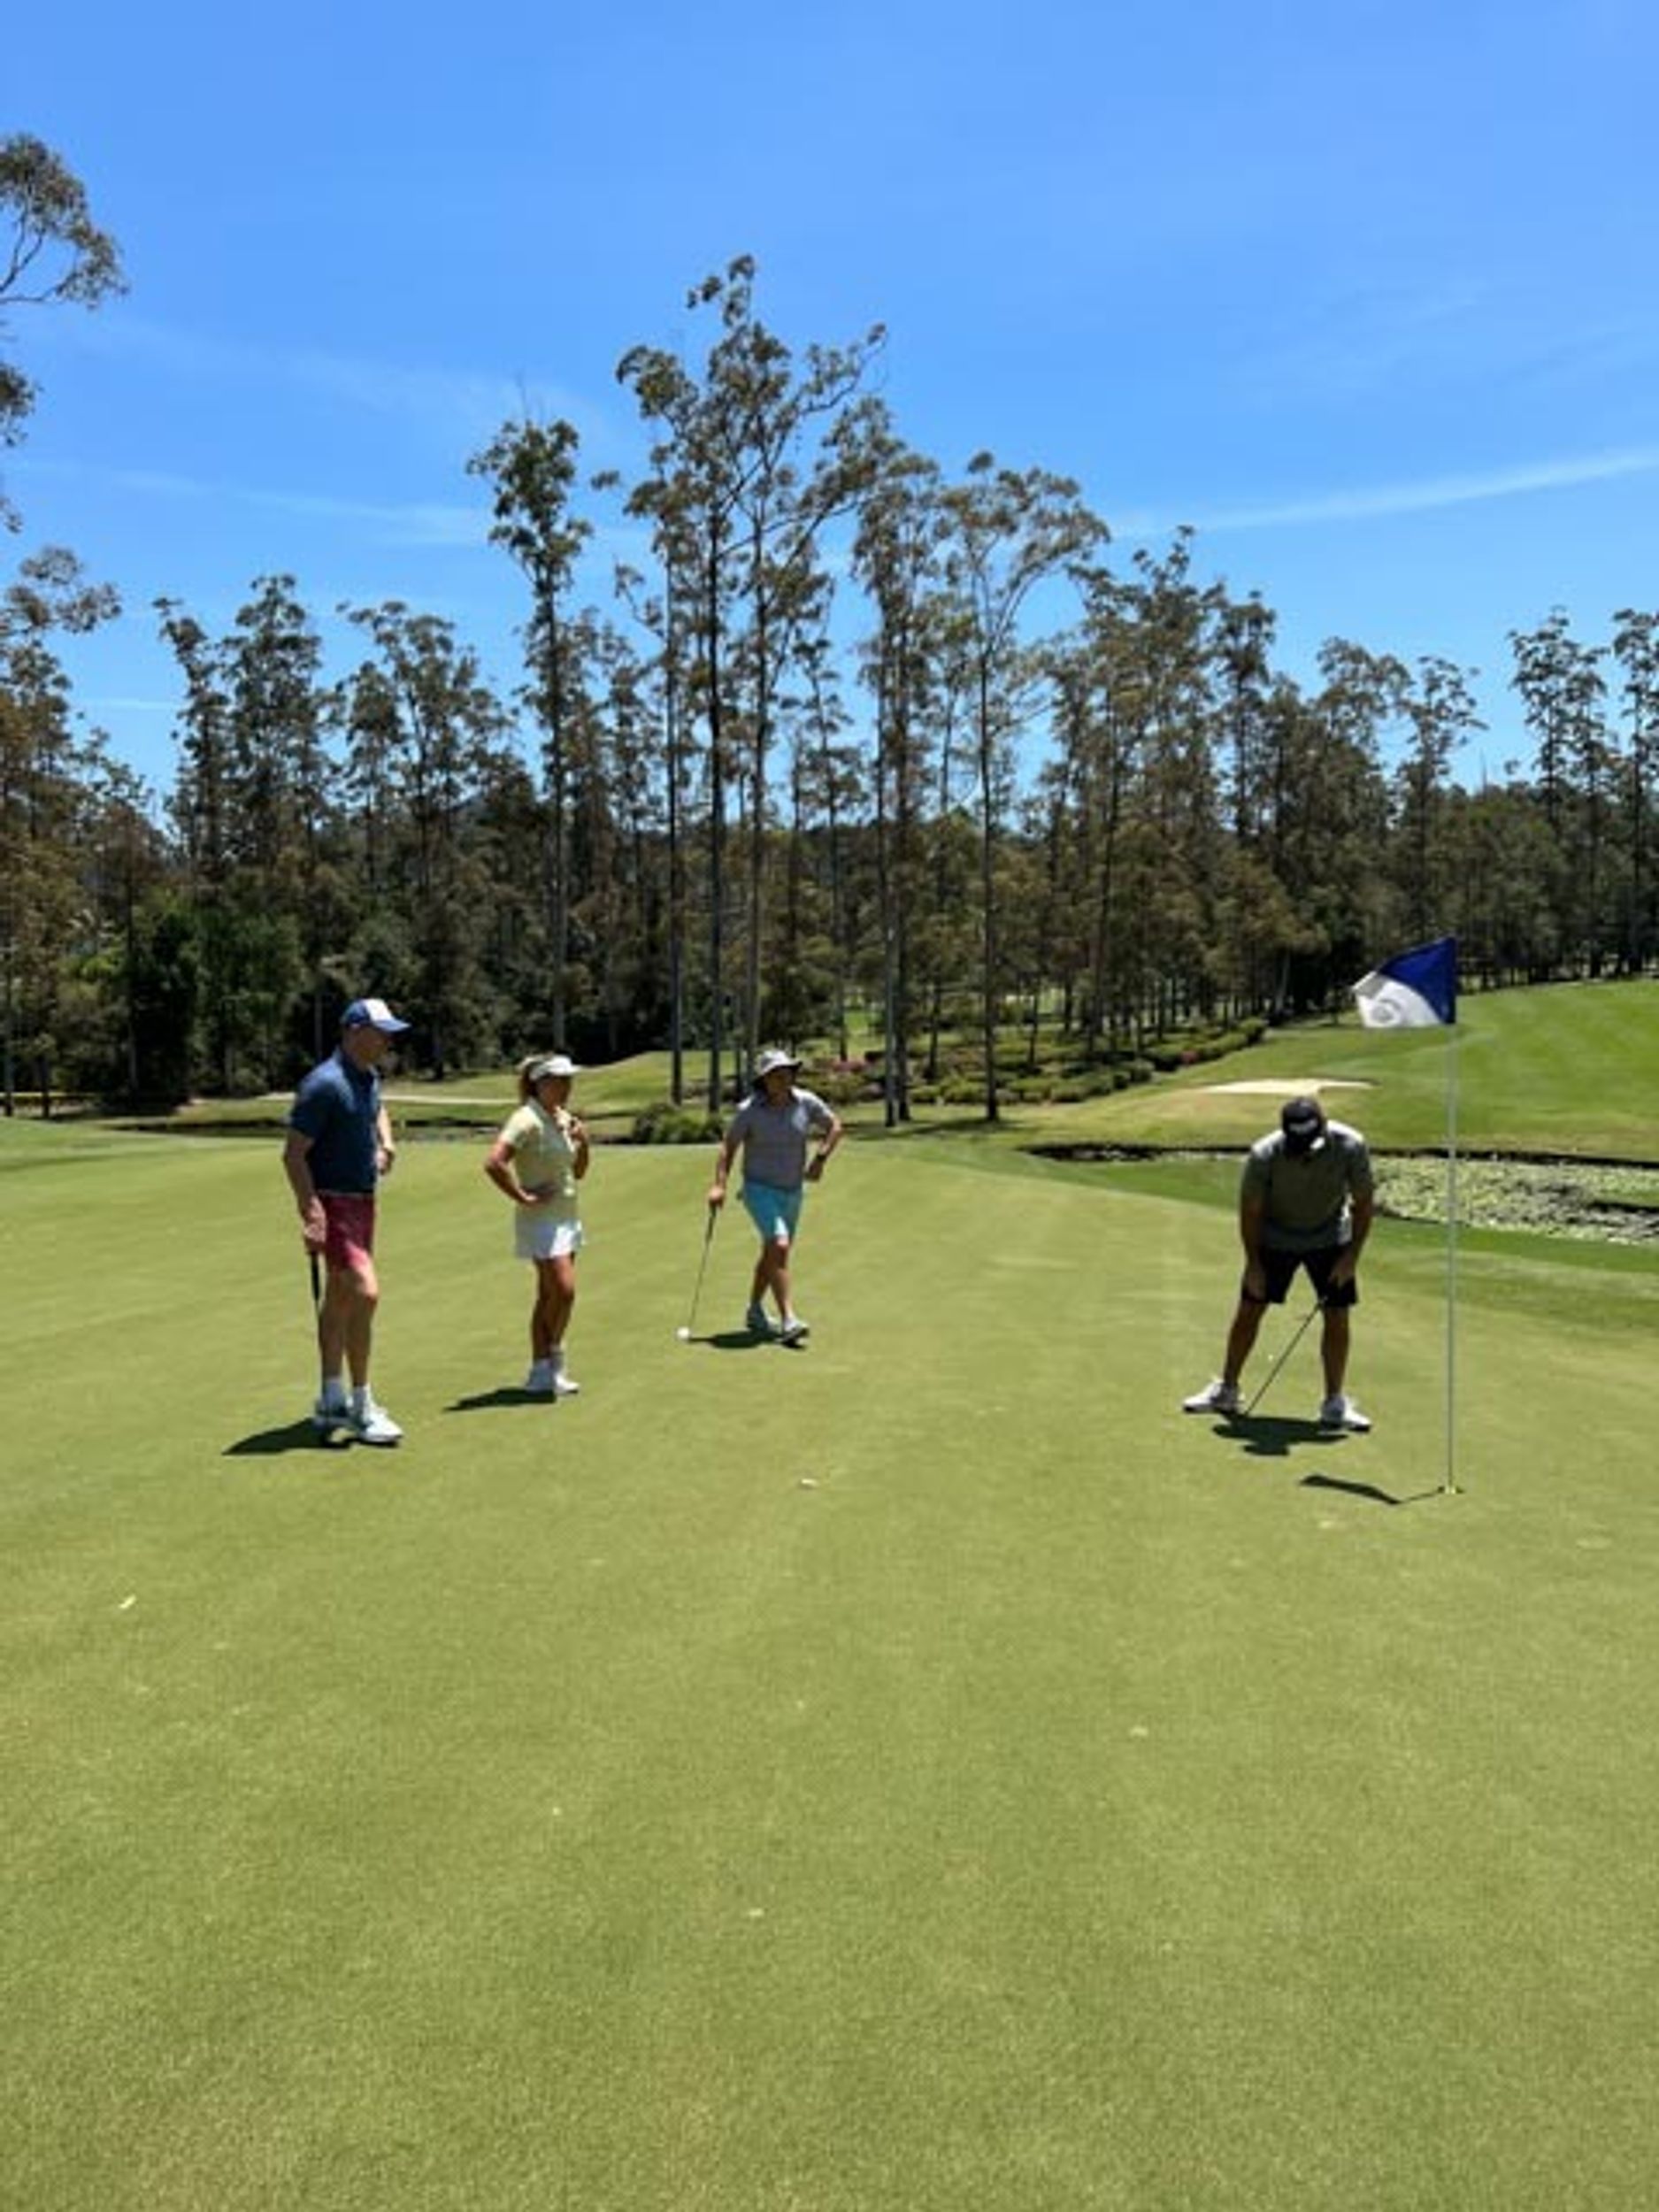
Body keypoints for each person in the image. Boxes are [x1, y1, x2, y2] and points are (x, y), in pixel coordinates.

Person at [1182, 1094, 1376, 1431]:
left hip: (1330, 1235)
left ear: (1324, 1127)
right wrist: (1253, 1264)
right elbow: (1251, 1211)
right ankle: (1227, 1391)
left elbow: (1364, 1202)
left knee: (1337, 1314)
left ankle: (1334, 1404)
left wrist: (1351, 1257)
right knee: (1250, 1308)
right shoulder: (1264, 1154)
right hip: (1275, 1236)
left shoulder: (1351, 1145)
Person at [283, 995, 409, 1444]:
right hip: (334, 1203)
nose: (388, 1041)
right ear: (355, 1032)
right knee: (365, 1293)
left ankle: (331, 1398)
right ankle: (361, 1405)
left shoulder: (366, 1076)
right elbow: (293, 1154)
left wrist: (386, 1144)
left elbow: (377, 1108)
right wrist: (311, 1210)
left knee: (338, 1298)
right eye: (381, 1033)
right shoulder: (324, 1084)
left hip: (363, 1202)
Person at [708, 1048, 843, 1343]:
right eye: (776, 1074)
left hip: (792, 1191)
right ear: (764, 1080)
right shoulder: (749, 1110)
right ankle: (788, 1319)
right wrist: (719, 1185)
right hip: (758, 1189)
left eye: (787, 1072)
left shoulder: (806, 1102)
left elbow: (835, 1126)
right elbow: (728, 1147)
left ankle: (755, 1311)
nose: (784, 1078)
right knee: (779, 1245)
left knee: (773, 1252)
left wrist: (820, 1159)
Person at [484, 1052, 590, 1398]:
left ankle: (545, 1369)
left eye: (568, 1080)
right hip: (541, 1222)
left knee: (551, 1295)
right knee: (564, 1290)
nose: (566, 1087)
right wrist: (522, 1197)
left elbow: (578, 1172)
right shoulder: (525, 1119)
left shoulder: (563, 1118)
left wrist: (584, 1142)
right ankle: (549, 1361)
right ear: (540, 1084)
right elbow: (494, 1163)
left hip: (567, 1216)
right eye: (559, 1081)